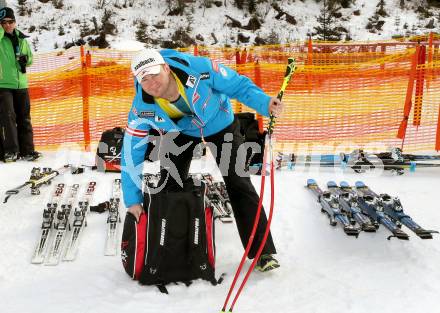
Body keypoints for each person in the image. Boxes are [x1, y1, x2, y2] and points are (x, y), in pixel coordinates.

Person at [121, 48, 284, 272]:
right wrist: (132, 199)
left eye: (154, 74)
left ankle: (263, 251)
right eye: (144, 79)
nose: (151, 83)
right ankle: (173, 247)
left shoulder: (200, 69)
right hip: (180, 133)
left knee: (238, 183)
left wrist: (264, 103)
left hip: (219, 122)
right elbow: (131, 153)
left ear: (166, 68)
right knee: (169, 186)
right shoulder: (141, 108)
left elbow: (237, 85)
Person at [0, 7, 41, 162]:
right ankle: (11, 151)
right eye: (3, 23)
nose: (7, 25)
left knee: (24, 118)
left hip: (21, 84)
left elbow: (30, 58)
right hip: (3, 84)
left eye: (10, 22)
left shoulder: (22, 39)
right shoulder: (0, 38)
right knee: (8, 117)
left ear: (15, 22)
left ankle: (27, 151)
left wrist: (25, 60)